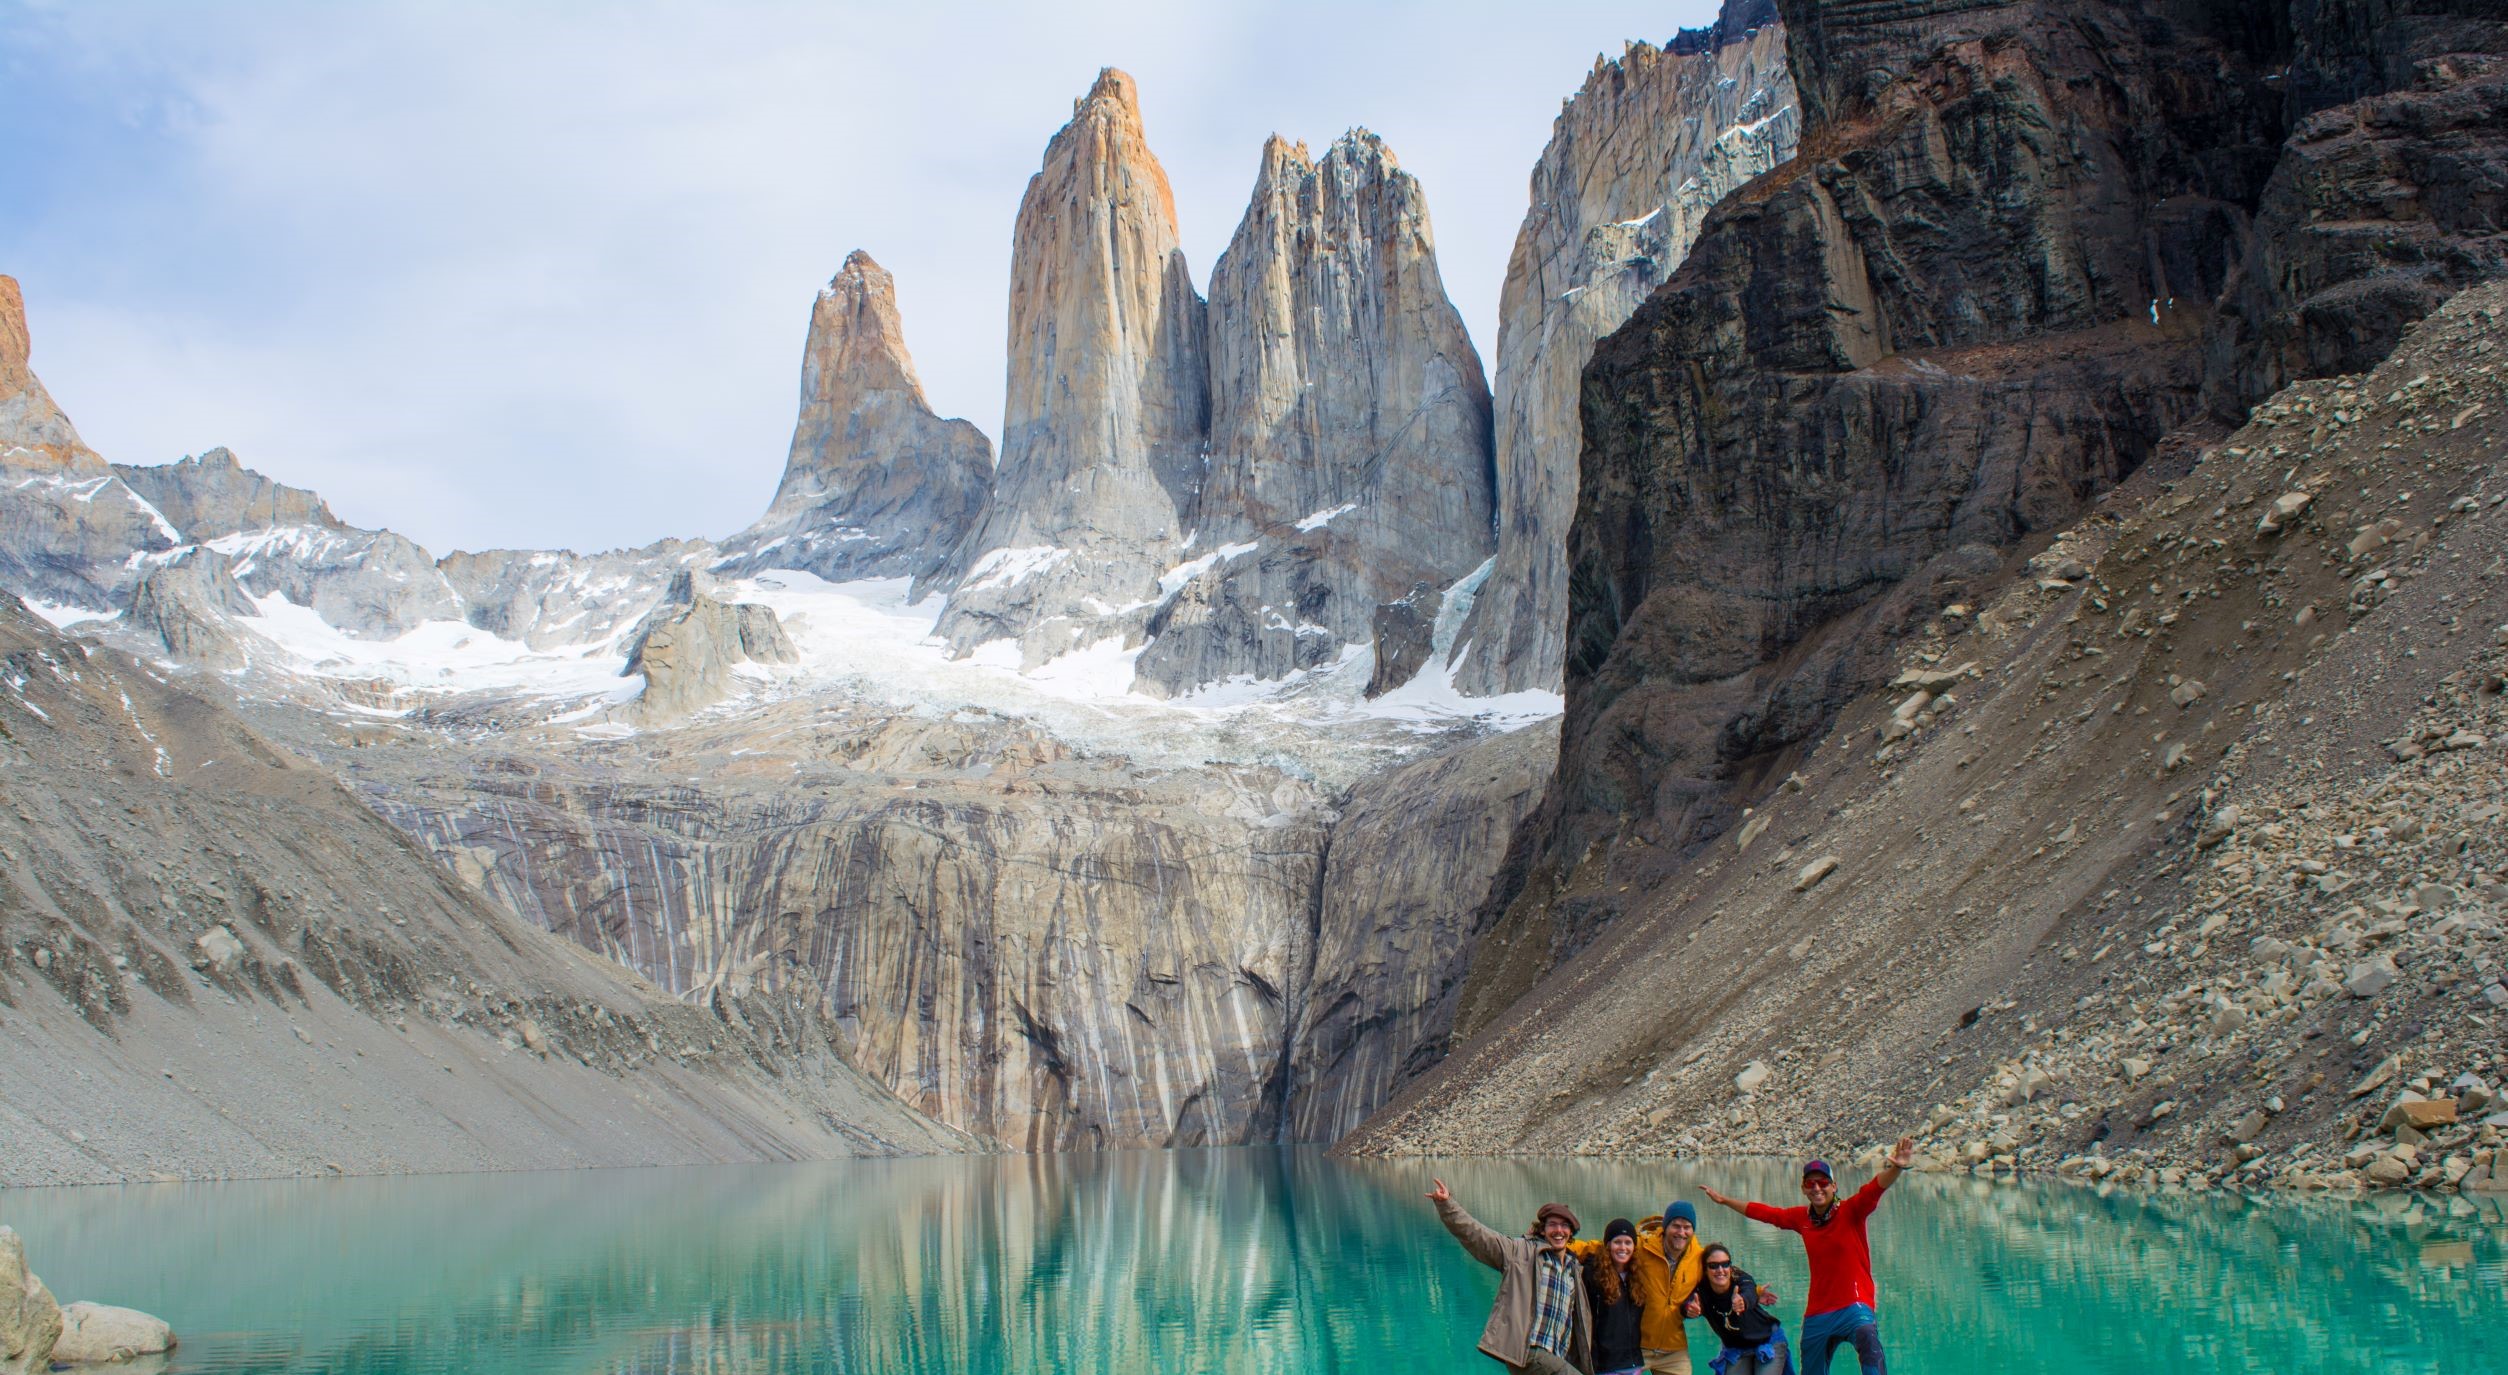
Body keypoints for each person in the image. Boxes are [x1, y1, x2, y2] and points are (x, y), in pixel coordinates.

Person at [1700, 1138, 1913, 1375]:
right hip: (1818, 1311)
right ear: (1803, 1188)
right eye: (1810, 1184)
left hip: (1855, 1305)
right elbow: (1768, 1214)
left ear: (1834, 1186)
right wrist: (1724, 1201)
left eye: (1822, 1182)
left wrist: (1897, 1167)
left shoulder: (1851, 1211)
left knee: (1867, 1337)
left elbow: (1875, 1189)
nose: (1817, 1188)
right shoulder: (1803, 1219)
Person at [1428, 1177, 1593, 1374]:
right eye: (1553, 1225)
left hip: (1556, 1355)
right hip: (1528, 1351)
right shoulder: (1521, 1252)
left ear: (1571, 1232)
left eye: (1564, 1226)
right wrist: (1447, 1205)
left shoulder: (1573, 1269)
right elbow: (1478, 1237)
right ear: (1543, 1229)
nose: (1559, 1230)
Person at [1570, 1200, 1706, 1373]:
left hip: (1674, 1349)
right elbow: (1594, 1247)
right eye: (1676, 1226)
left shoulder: (1700, 1258)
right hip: (1637, 1345)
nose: (1681, 1232)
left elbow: (1726, 1273)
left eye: (1687, 1227)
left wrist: (1690, 1306)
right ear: (1665, 1227)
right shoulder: (1640, 1246)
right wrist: (1553, 1241)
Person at [1683, 1244, 1789, 1375]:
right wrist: (1688, 1309)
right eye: (1713, 1266)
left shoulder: (1741, 1279)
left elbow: (1749, 1291)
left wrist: (1742, 1301)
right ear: (1705, 1269)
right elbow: (1686, 1303)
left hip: (1768, 1341)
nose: (1720, 1270)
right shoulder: (1701, 1291)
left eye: (1725, 1264)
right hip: (1737, 1349)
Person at [1585, 1218, 1649, 1375]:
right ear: (1607, 1245)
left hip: (1632, 1363)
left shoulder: (1636, 1276)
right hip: (1605, 1365)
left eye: (1628, 1242)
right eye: (1617, 1242)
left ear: (1634, 1247)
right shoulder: (1593, 1274)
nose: (1623, 1247)